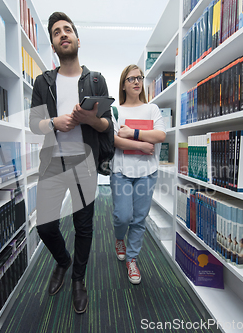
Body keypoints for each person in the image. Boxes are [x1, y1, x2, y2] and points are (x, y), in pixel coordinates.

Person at [28, 11, 113, 314]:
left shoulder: (96, 80)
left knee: (84, 226)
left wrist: (92, 119)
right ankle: (63, 261)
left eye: (67, 30)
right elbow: (33, 122)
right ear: (53, 44)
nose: (62, 34)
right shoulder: (43, 81)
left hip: (84, 162)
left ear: (78, 38)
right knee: (45, 226)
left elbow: (107, 127)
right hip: (52, 161)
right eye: (56, 33)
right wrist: (54, 122)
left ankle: (79, 279)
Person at [110, 64, 166, 284]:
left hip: (147, 171)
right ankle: (118, 239)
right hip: (121, 170)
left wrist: (133, 133)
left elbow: (160, 135)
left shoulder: (152, 109)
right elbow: (114, 140)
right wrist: (143, 144)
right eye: (131, 79)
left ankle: (132, 259)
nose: (136, 82)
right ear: (123, 84)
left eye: (139, 78)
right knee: (122, 216)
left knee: (139, 218)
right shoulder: (116, 111)